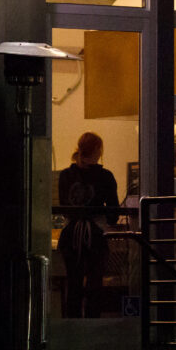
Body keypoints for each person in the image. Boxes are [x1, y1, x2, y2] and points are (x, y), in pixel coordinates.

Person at [57, 132, 118, 318]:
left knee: (73, 284)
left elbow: (64, 207)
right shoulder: (105, 176)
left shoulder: (66, 175)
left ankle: (72, 327)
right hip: (95, 236)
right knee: (94, 285)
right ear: (99, 151)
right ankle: (92, 326)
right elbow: (113, 213)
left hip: (71, 236)